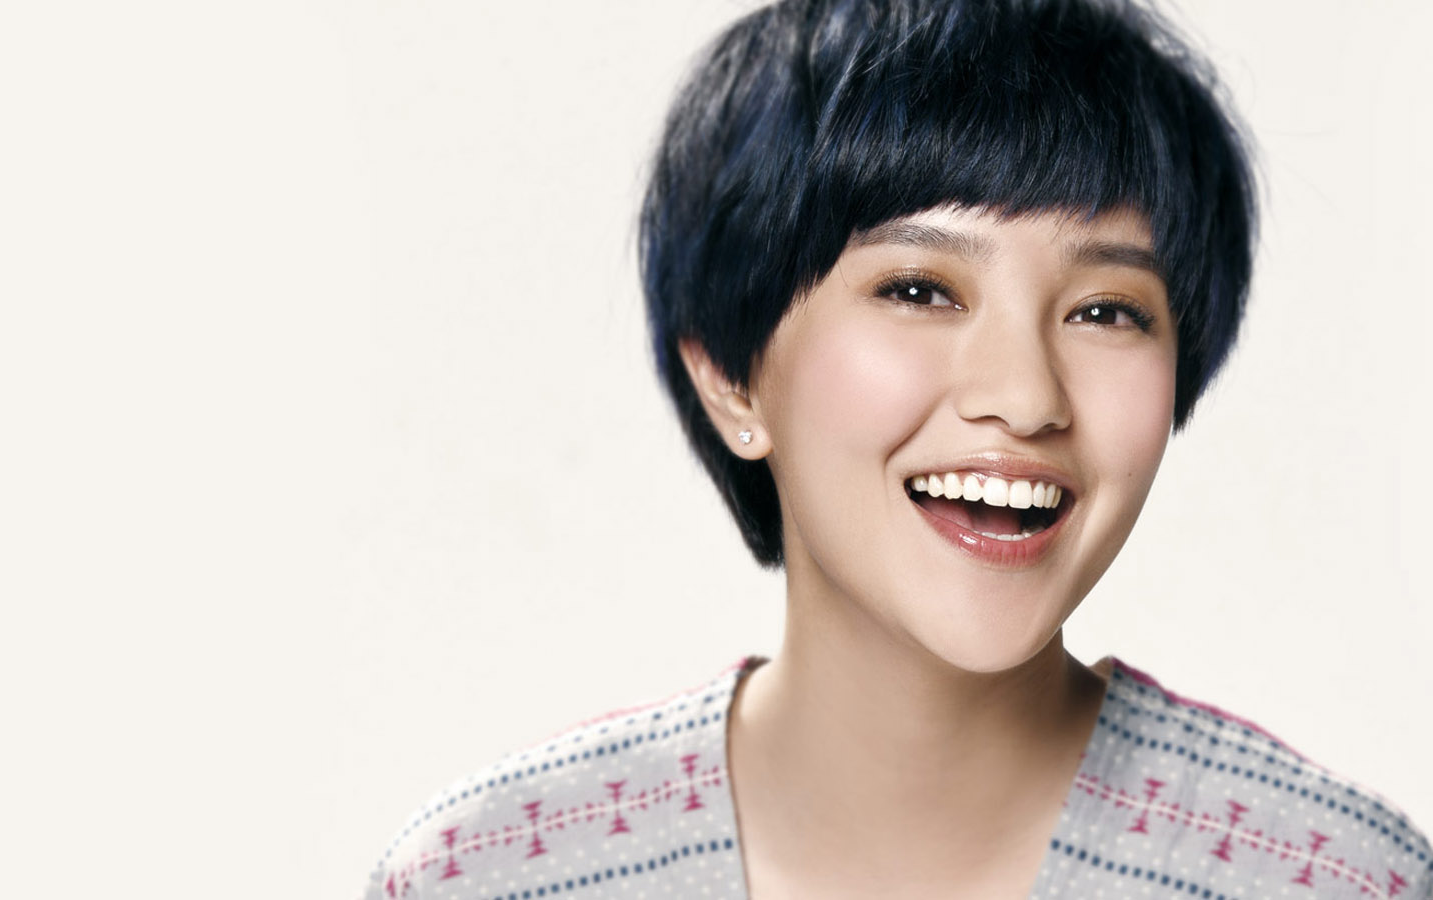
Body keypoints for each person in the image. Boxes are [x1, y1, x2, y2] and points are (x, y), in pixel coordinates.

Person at [360, 0, 1432, 897]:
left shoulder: (1333, 879)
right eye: (920, 289)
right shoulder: (488, 876)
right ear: (731, 375)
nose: (1025, 398)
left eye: (1106, 311)